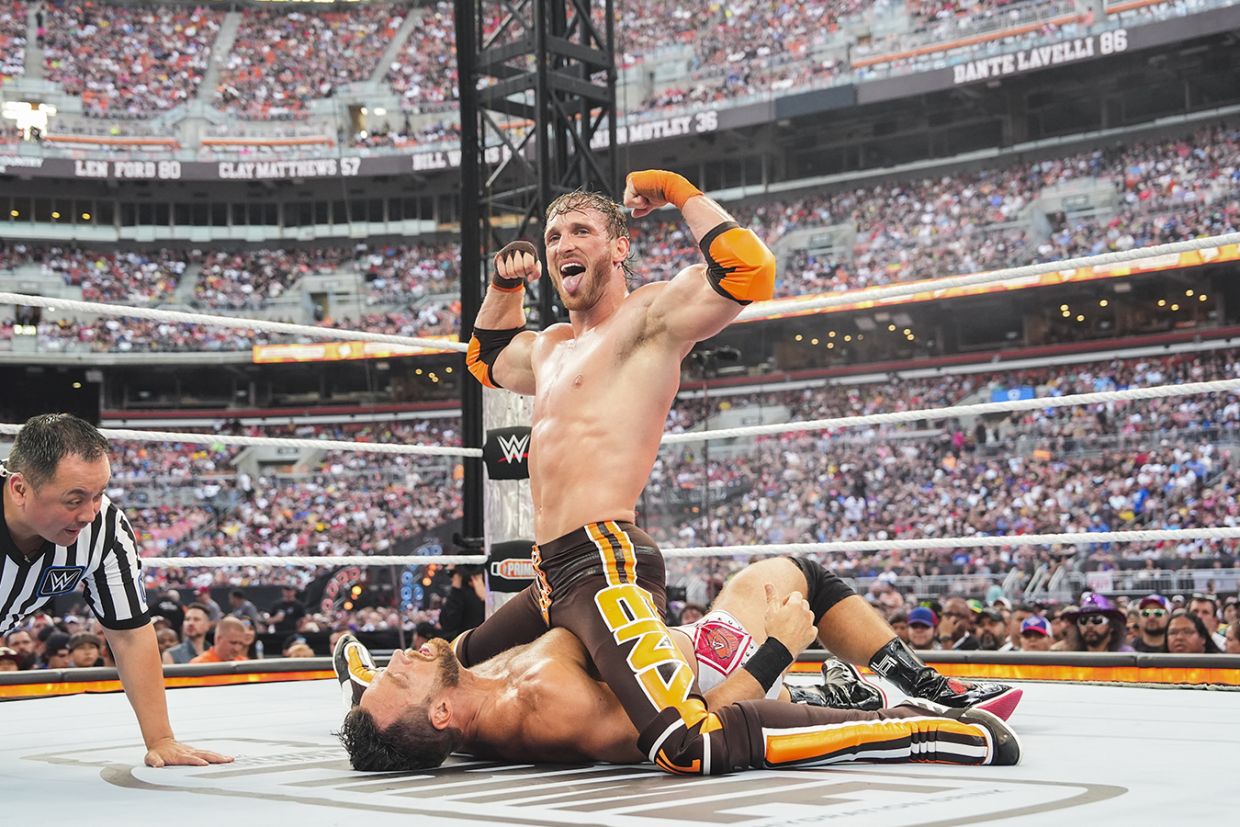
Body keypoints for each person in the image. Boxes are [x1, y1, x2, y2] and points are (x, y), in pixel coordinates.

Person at [456, 172, 1016, 775]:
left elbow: (750, 271)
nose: (563, 244)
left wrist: (679, 192)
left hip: (603, 559)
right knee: (453, 667)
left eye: (581, 231)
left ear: (619, 247)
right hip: (548, 574)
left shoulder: (649, 318)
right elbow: (485, 358)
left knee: (682, 733)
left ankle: (925, 697)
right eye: (553, 236)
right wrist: (503, 285)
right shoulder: (550, 347)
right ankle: (828, 693)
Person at [335, 558, 1020, 772]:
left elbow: (400, 706)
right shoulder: (549, 706)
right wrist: (779, 647)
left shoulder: (458, 708)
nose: (403, 657)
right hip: (720, 670)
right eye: (399, 675)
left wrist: (362, 682)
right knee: (795, 577)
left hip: (678, 643)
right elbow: (695, 726)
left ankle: (845, 687)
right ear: (441, 712)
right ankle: (923, 692)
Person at [0, 413, 231, 767]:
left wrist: (161, 739)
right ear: (20, 489)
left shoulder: (105, 529)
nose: (89, 513)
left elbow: (130, 634)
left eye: (99, 494)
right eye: (74, 499)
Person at [1054, 593, 1133, 653]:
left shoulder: (1125, 656)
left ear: (1112, 625)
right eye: (1083, 621)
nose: (1089, 625)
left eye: (1097, 620)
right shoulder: (1070, 658)